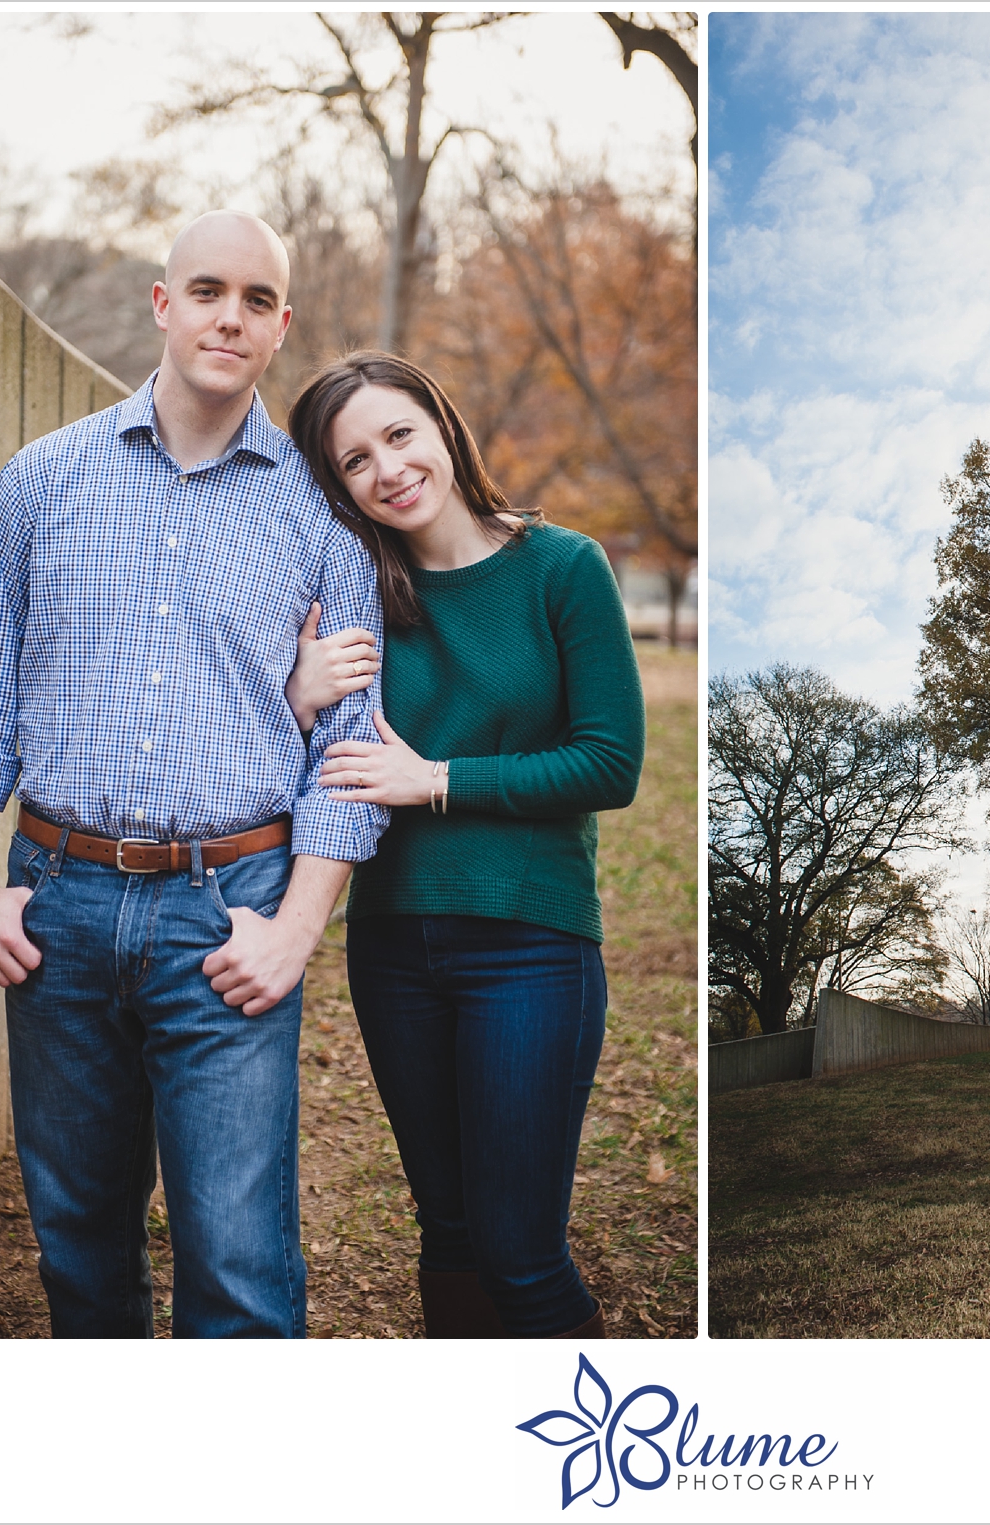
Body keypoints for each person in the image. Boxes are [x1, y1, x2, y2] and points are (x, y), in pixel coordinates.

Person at [0, 211, 388, 1338]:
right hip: (60, 902)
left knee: (237, 1261)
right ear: (162, 303)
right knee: (79, 1241)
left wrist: (293, 932)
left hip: (229, 911)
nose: (231, 316)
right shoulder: (41, 481)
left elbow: (350, 755)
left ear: (283, 326)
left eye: (258, 300)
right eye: (209, 290)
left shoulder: (324, 521)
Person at [284, 351, 644, 1339]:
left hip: (529, 944)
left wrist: (437, 780)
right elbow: (302, 767)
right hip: (393, 946)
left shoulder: (562, 568)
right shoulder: (355, 589)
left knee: (520, 1252)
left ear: (443, 426)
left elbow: (609, 762)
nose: (387, 469)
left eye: (399, 435)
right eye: (353, 461)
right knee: (445, 1236)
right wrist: (296, 698)